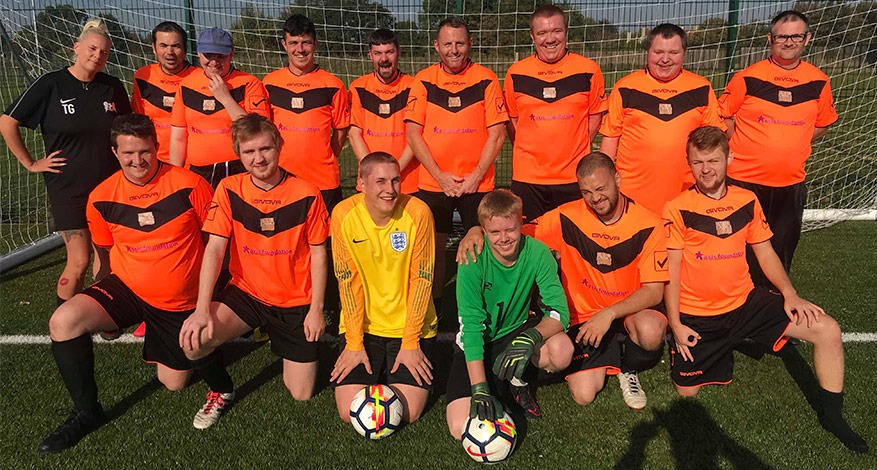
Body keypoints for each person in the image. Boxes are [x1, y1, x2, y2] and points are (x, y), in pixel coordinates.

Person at [663, 126, 868, 454]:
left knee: (827, 329)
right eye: (697, 162)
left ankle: (833, 416)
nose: (706, 170)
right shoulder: (677, 207)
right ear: (688, 162)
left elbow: (765, 252)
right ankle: (710, 346)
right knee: (687, 393)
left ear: (729, 158)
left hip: (745, 304)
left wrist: (789, 292)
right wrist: (675, 322)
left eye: (713, 160)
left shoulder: (747, 199)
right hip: (698, 314)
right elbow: (670, 270)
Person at [37, 113, 213, 453]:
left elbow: (215, 244)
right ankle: (87, 412)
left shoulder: (190, 185)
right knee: (64, 320)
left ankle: (200, 344)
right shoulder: (101, 197)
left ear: (156, 147)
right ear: (115, 152)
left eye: (145, 151)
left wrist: (208, 301)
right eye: (128, 153)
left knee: (173, 383)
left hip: (177, 301)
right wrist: (102, 305)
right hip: (128, 287)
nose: (138, 161)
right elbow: (103, 255)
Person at [458, 153, 669, 412]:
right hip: (584, 319)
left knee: (651, 329)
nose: (595, 198)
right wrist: (475, 229)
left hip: (627, 313)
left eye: (601, 188)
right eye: (586, 191)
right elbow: (511, 229)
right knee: (583, 394)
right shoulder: (565, 217)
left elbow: (654, 292)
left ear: (618, 179)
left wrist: (609, 313)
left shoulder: (649, 223)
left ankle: (629, 369)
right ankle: (606, 360)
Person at [178, 114, 328, 429]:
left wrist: (316, 309)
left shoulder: (306, 192)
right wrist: (202, 310)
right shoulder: (229, 188)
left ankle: (290, 338)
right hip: (248, 292)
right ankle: (221, 389)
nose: (258, 158)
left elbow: (318, 253)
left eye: (265, 149)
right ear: (239, 154)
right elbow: (215, 249)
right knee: (193, 339)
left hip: (293, 300)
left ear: (278, 146)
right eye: (249, 152)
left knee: (301, 393)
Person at [0, 18, 131, 307]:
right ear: (76, 47)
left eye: (104, 52)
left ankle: (104, 312)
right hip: (67, 188)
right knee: (79, 259)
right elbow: (7, 122)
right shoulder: (52, 84)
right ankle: (64, 321)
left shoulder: (111, 87)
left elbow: (127, 130)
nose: (97, 56)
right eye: (92, 49)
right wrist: (30, 163)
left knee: (106, 254)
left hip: (108, 186)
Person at [718, 10, 837, 290]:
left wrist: (793, 141)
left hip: (790, 185)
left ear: (807, 39)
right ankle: (735, 321)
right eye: (782, 36)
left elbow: (823, 124)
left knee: (780, 258)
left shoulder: (819, 81)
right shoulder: (747, 77)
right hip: (743, 182)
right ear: (770, 39)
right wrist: (744, 145)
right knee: (738, 257)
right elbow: (723, 117)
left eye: (796, 35)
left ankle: (773, 323)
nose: (788, 41)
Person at [446, 189, 569, 437]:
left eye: (510, 230)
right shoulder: (471, 257)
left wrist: (531, 336)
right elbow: (471, 327)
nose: (504, 238)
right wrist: (479, 388)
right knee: (460, 428)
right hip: (478, 341)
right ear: (482, 230)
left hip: (516, 331)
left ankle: (518, 381)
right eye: (494, 232)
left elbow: (560, 312)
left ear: (521, 223)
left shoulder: (538, 252)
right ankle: (493, 383)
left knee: (562, 350)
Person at [405, 17, 508, 313]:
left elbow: (497, 133)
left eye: (460, 43)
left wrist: (476, 175)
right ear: (437, 46)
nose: (454, 50)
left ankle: (480, 308)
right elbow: (413, 133)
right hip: (434, 183)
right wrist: (439, 176)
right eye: (447, 44)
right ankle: (432, 308)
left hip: (476, 183)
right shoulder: (423, 79)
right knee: (432, 252)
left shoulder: (486, 78)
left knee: (481, 248)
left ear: (470, 44)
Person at [329, 152, 437, 424]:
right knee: (348, 412)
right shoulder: (343, 215)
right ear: (361, 183)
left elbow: (422, 281)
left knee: (407, 414)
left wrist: (411, 343)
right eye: (380, 181)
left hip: (410, 330)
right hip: (365, 328)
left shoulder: (418, 212)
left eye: (395, 180)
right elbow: (347, 282)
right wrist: (354, 344)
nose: (390, 190)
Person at [599, 23, 725, 214]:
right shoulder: (625, 88)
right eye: (658, 52)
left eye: (673, 52)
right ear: (648, 52)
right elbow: (610, 139)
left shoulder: (701, 88)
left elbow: (715, 144)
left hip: (688, 194)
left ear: (684, 53)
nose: (665, 59)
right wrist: (604, 181)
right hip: (633, 198)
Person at [504, 5, 607, 222]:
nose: (549, 39)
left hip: (573, 177)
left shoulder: (589, 70)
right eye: (542, 33)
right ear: (532, 36)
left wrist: (573, 146)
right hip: (528, 178)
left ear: (566, 32)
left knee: (571, 243)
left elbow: (596, 115)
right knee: (531, 244)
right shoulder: (516, 73)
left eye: (556, 31)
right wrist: (530, 151)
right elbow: (513, 121)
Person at [129, 21, 196, 337]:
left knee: (188, 245)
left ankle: (194, 303)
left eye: (177, 45)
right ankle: (150, 309)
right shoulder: (141, 78)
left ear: (186, 48)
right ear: (154, 48)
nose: (171, 52)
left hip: (190, 173)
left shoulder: (199, 77)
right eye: (164, 46)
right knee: (151, 242)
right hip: (151, 173)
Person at [262, 14, 350, 213]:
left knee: (325, 241)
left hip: (323, 180)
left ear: (315, 44)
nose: (300, 49)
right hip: (281, 178)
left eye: (305, 43)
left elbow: (341, 131)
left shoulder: (333, 85)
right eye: (293, 42)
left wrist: (324, 158)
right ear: (284, 44)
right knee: (286, 240)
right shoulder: (269, 83)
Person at [169, 27, 270, 187]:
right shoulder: (186, 85)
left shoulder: (249, 83)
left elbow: (257, 132)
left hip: (238, 169)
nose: (214, 62)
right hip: (198, 172)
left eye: (221, 56)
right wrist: (174, 174)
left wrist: (226, 98)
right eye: (208, 56)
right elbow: (178, 137)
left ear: (232, 54)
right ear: (198, 54)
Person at [348, 29, 419, 195]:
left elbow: (416, 136)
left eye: (389, 52)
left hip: (407, 181)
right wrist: (374, 172)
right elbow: (354, 134)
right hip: (371, 181)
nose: (384, 59)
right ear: (370, 55)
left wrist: (393, 172)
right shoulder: (358, 87)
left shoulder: (414, 86)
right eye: (378, 53)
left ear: (398, 53)